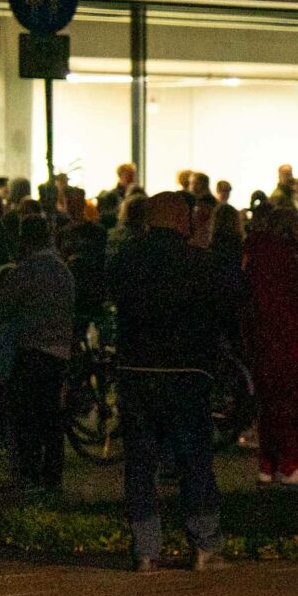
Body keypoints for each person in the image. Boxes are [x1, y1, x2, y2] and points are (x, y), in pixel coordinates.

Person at [110, 192, 231, 572]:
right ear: (182, 220)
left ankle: (146, 549)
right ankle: (205, 545)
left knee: (140, 461)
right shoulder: (200, 263)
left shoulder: (125, 259)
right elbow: (223, 309)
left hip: (136, 371)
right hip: (185, 371)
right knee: (193, 458)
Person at [0, 216, 74, 501]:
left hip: (32, 350)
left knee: (27, 416)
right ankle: (52, 478)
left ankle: (29, 475)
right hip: (59, 352)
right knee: (51, 417)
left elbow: (4, 307)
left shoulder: (26, 272)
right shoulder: (62, 270)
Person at [243, 205, 298, 486]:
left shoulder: (255, 251)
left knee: (268, 402)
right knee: (290, 401)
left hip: (263, 334)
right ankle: (290, 463)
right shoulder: (296, 253)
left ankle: (268, 463)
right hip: (291, 335)